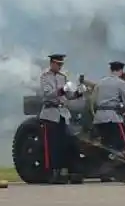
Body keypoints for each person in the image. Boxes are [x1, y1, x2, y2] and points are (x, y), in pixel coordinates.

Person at [39, 53, 86, 184]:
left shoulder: (62, 77)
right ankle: (54, 173)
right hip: (50, 113)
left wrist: (78, 92)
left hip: (63, 114)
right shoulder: (45, 77)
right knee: (53, 145)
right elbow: (47, 95)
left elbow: (68, 96)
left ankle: (68, 172)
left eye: (61, 64)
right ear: (52, 63)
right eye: (58, 64)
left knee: (66, 144)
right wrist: (61, 90)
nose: (60, 66)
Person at [92, 61, 125, 155]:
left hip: (99, 118)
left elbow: (94, 101)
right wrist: (124, 110)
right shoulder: (121, 83)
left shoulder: (100, 82)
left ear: (111, 70)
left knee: (102, 142)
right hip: (113, 118)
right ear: (121, 71)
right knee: (116, 146)